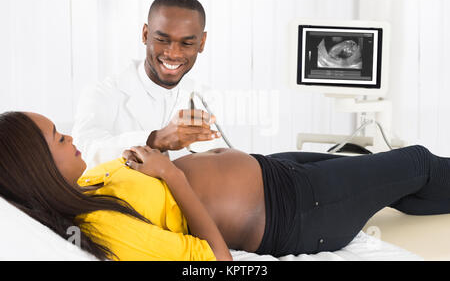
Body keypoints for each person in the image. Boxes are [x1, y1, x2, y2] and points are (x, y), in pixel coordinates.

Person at [2, 111, 450, 261]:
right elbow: (216, 264)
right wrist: (172, 175)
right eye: (58, 138)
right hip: (293, 211)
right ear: (35, 167)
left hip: (275, 173)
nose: (70, 138)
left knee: (398, 182)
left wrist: (151, 154)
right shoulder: (102, 228)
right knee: (417, 163)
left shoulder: (86, 184)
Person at [71, 0, 222, 169]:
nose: (173, 53)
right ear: (145, 34)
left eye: (186, 44)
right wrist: (155, 139)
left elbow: (214, 166)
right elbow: (83, 150)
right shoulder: (102, 93)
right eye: (162, 40)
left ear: (202, 42)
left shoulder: (206, 98)